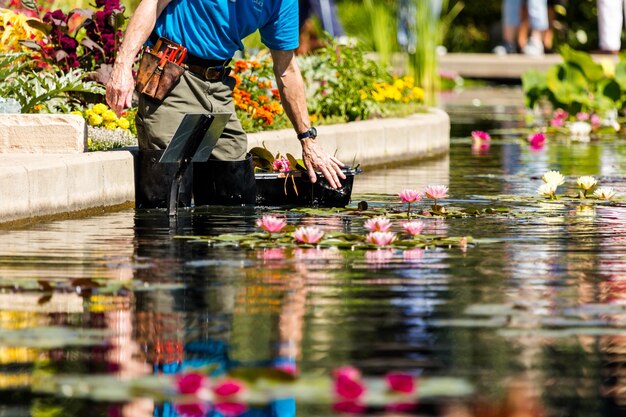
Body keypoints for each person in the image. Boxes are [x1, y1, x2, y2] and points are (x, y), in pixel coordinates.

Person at [106, 0, 346, 208]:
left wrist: (308, 139)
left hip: (218, 87)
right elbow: (153, 3)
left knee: (234, 188)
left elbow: (286, 69)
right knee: (168, 192)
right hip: (172, 75)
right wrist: (123, 65)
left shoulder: (283, 2)